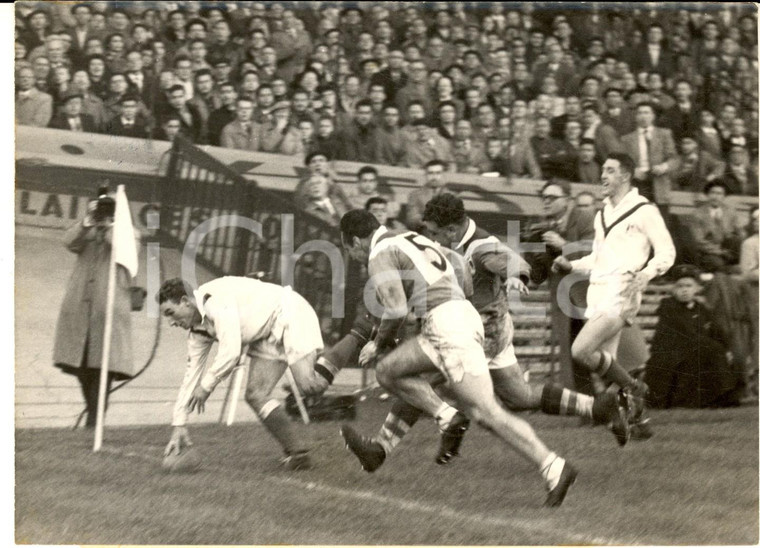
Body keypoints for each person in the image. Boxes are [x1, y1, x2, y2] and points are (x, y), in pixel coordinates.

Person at [340, 193, 628, 473]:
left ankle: (390, 446)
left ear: (451, 229)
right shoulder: (450, 244)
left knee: (417, 382)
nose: (432, 238)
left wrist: (516, 277)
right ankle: (598, 407)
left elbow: (512, 261)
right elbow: (458, 271)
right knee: (520, 396)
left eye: (435, 232)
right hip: (484, 324)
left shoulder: (481, 246)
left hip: (478, 328)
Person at [156, 276, 340, 471]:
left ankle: (356, 338)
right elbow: (190, 376)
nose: (170, 322)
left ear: (185, 302)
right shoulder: (197, 332)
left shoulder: (215, 301)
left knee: (310, 386)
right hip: (265, 333)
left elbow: (231, 352)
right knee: (256, 395)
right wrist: (179, 424)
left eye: (170, 313)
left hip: (290, 312)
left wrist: (206, 386)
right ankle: (298, 454)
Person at [552, 152, 676, 409]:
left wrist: (646, 274)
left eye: (609, 170)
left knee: (581, 350)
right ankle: (636, 420)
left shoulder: (645, 210)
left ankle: (635, 387)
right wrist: (571, 264)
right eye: (603, 170)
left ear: (625, 175)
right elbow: (598, 259)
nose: (603, 176)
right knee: (608, 368)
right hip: (597, 294)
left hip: (622, 292)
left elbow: (667, 252)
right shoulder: (602, 214)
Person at [53, 187, 141, 428]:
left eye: (109, 207)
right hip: (80, 310)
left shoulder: (130, 234)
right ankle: (94, 419)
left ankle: (93, 423)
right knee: (81, 368)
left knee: (103, 371)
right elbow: (68, 241)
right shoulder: (88, 229)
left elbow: (125, 249)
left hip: (109, 312)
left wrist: (111, 226)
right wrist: (88, 221)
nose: (104, 211)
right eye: (101, 206)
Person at [643, 265, 741, 408]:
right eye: (680, 286)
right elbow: (684, 334)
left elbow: (717, 331)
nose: (684, 290)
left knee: (718, 351)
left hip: (697, 353)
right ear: (673, 289)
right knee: (709, 349)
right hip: (671, 356)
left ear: (697, 288)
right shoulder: (668, 307)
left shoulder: (701, 309)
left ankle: (720, 398)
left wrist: (727, 349)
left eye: (689, 286)